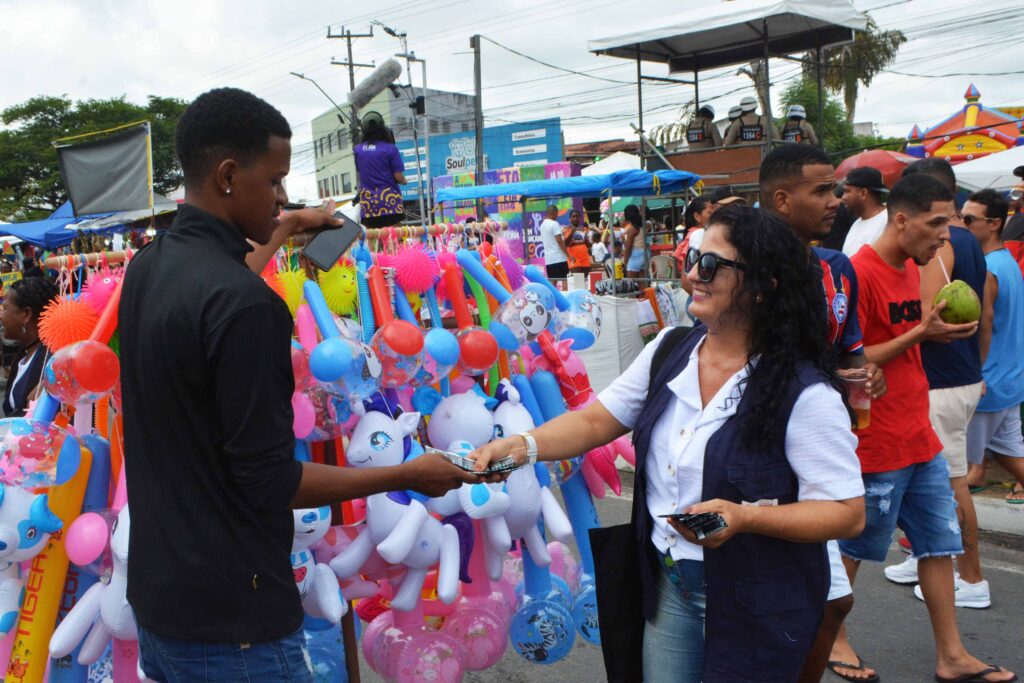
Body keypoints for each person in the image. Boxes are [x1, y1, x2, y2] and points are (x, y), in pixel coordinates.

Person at [119, 88, 492, 681]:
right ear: (227, 175)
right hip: (235, 623)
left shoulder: (149, 269)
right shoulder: (248, 309)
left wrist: (283, 226)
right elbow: (271, 480)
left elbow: (214, 290)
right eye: (274, 182)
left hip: (162, 605)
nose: (282, 196)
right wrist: (407, 475)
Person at [471, 205, 866, 683]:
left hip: (756, 599)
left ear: (765, 286)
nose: (695, 275)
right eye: (695, 257)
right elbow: (597, 420)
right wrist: (521, 445)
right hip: (671, 586)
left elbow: (846, 511)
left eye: (713, 265)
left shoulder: (804, 393)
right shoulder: (670, 349)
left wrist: (746, 517)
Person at [836, 174, 1015, 683]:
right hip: (876, 441)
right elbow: (850, 356)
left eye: (952, 222)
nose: (945, 235)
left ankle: (952, 655)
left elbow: (904, 345)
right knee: (852, 552)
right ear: (901, 219)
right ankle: (833, 639)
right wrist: (922, 331)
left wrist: (934, 333)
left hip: (920, 433)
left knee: (941, 544)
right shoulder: (859, 272)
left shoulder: (917, 269)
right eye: (937, 223)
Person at [758, 143, 888, 683]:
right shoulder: (748, 269)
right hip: (761, 448)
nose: (836, 199)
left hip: (821, 449)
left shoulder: (837, 269)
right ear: (782, 199)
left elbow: (850, 350)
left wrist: (865, 373)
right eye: (822, 190)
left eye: (836, 188)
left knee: (833, 602)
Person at [884, 159, 990, 610]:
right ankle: (924, 553)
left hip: (941, 379)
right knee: (929, 478)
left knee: (951, 481)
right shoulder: (969, 241)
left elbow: (924, 312)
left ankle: (972, 577)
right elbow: (982, 311)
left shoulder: (937, 244)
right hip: (963, 374)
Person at [963, 189, 1024, 504]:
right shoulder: (1007, 262)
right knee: (1010, 455)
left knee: (958, 471)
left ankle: (937, 538)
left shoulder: (989, 269)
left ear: (995, 223)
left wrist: (976, 373)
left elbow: (984, 325)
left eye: (970, 219)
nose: (962, 223)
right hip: (1010, 380)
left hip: (990, 382)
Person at [1, 277, 58, 417]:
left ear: (26, 314)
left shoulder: (52, 362)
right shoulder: (26, 353)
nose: (1, 314)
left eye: (5, 308)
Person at [354, 113, 406, 229]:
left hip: (368, 204)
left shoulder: (358, 150)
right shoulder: (390, 148)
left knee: (373, 241)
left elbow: (360, 171)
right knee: (394, 241)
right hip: (390, 203)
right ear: (383, 128)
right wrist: (404, 181)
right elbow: (398, 176)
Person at [841, 167, 889, 257]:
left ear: (863, 193)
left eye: (847, 191)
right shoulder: (857, 222)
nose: (843, 197)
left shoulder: (888, 222)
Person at [539, 204, 568, 280]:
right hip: (559, 258)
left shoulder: (542, 225)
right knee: (565, 280)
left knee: (553, 281)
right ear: (553, 213)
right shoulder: (554, 224)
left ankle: (552, 293)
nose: (557, 216)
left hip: (549, 260)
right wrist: (568, 255)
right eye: (557, 214)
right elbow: (559, 241)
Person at [621, 204, 645, 278]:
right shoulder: (643, 225)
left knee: (630, 282)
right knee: (643, 283)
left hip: (635, 255)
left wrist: (625, 261)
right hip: (644, 254)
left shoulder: (632, 228)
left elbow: (628, 247)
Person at [564, 209, 592, 273]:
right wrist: (572, 232)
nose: (576, 218)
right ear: (570, 219)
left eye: (577, 216)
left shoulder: (584, 229)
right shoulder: (566, 229)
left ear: (580, 218)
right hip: (574, 257)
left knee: (585, 279)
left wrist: (586, 239)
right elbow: (565, 244)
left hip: (585, 257)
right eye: (573, 217)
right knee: (577, 279)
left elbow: (588, 245)